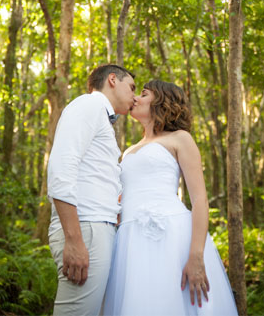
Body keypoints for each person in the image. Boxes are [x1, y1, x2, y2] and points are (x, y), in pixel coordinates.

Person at [103, 80, 237, 316]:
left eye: (143, 94)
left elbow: (199, 200)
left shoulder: (180, 138)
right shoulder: (129, 150)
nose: (136, 98)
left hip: (172, 236)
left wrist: (196, 255)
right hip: (130, 240)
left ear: (162, 101)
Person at [47, 64, 136, 316]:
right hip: (86, 227)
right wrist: (74, 239)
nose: (134, 96)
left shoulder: (100, 116)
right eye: (131, 87)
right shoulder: (89, 105)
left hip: (95, 227)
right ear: (112, 80)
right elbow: (61, 168)